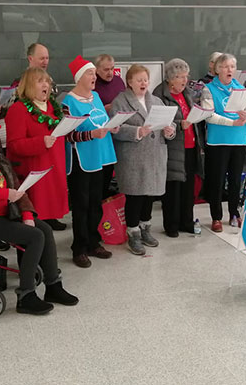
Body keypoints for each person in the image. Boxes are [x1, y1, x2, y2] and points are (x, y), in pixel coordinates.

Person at [0, 115, 78, 314]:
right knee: (34, 236)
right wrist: (7, 194)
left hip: (5, 213)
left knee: (43, 227)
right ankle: (26, 295)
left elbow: (18, 188)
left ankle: (53, 285)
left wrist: (27, 212)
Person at [62, 55, 118, 268]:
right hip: (81, 161)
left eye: (94, 73)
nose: (94, 77)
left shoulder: (95, 97)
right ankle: (79, 247)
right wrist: (91, 135)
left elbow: (101, 122)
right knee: (81, 205)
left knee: (96, 202)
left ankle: (94, 241)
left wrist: (112, 127)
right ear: (79, 77)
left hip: (101, 157)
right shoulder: (68, 102)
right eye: (90, 73)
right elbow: (67, 135)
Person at [112, 65, 174, 254]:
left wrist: (170, 130)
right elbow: (115, 129)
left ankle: (145, 228)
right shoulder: (120, 101)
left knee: (149, 195)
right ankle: (133, 233)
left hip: (155, 155)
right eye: (139, 80)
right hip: (133, 158)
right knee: (134, 196)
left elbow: (169, 123)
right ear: (129, 82)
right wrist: (138, 131)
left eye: (145, 80)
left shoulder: (155, 100)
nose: (143, 83)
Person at [6, 67, 69, 231]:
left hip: (54, 169)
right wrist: (40, 142)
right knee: (35, 222)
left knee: (48, 219)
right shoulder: (18, 109)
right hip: (34, 173)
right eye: (40, 81)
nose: (45, 85)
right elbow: (14, 145)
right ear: (28, 85)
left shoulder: (53, 108)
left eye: (47, 81)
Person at [201, 53, 246, 232]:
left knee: (235, 181)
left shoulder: (240, 88)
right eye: (225, 66)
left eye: (232, 66)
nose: (229, 70)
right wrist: (231, 122)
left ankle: (234, 213)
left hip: (238, 141)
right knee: (216, 181)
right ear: (217, 69)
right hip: (218, 142)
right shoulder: (209, 89)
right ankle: (216, 217)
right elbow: (208, 115)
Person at [153, 58, 203, 237]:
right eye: (180, 77)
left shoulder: (186, 93)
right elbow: (158, 120)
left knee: (188, 188)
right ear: (170, 78)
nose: (184, 80)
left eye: (186, 76)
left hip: (190, 146)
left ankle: (186, 221)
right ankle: (171, 225)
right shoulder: (160, 94)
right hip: (172, 148)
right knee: (173, 188)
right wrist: (178, 123)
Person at [93, 54, 125, 199]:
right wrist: (104, 109)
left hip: (118, 132)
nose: (110, 73)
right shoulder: (93, 84)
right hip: (100, 135)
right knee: (101, 176)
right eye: (106, 69)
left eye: (112, 68)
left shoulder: (118, 82)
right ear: (97, 70)